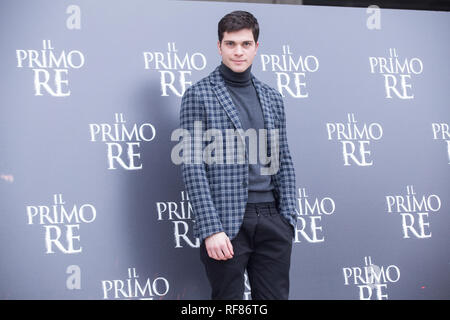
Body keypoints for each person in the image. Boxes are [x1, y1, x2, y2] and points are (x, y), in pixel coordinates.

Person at [179, 10, 297, 300]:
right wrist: (210, 228)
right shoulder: (199, 95)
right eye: (231, 44)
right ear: (219, 46)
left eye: (245, 44)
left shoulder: (272, 97)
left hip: (273, 219)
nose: (238, 51)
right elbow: (192, 167)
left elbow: (283, 159)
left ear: (257, 47)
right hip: (227, 222)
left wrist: (288, 217)